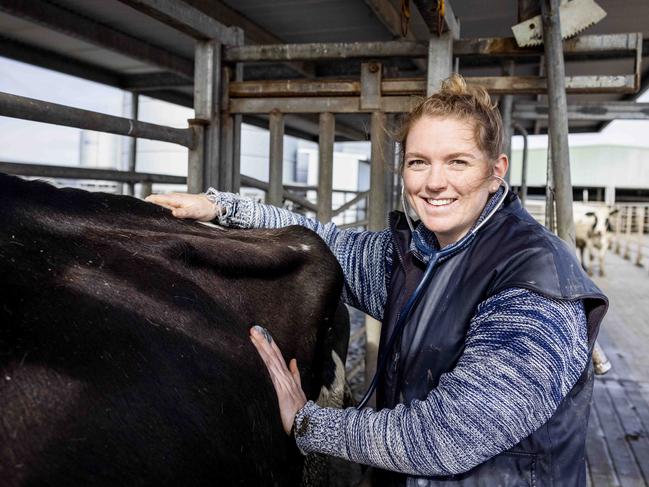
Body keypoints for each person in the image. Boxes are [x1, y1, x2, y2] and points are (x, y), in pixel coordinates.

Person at [146, 74, 608, 486]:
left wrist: (308, 424)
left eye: (458, 162)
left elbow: (446, 436)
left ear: (496, 171)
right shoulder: (418, 254)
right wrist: (222, 209)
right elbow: (322, 243)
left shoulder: (534, 284)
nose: (434, 182)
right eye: (418, 162)